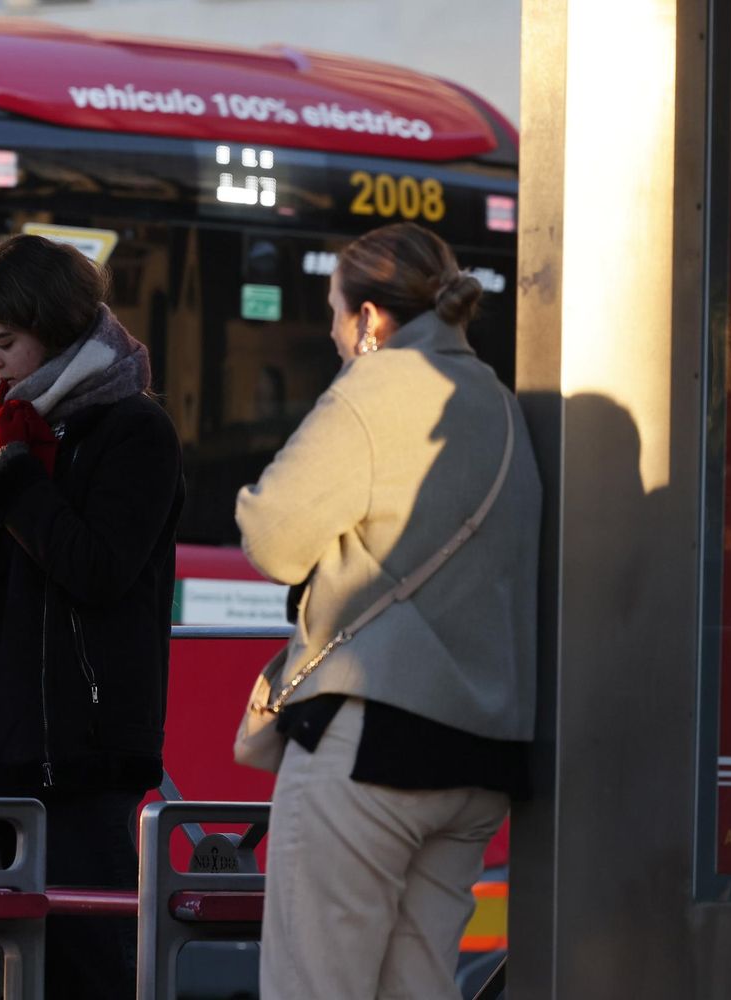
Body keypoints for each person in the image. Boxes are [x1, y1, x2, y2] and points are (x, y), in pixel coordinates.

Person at [236, 222, 541, 1000]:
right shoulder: (501, 404)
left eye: (336, 313)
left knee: (317, 983)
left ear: (370, 318)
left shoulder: (377, 385)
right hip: (480, 757)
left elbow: (272, 535)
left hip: (373, 742)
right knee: (419, 984)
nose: (335, 334)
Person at [0, 235, 183, 997]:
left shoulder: (130, 429)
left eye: (5, 342)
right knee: (4, 967)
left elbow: (98, 569)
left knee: (86, 964)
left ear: (54, 326)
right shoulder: (10, 424)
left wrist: (12, 483)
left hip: (80, 750)